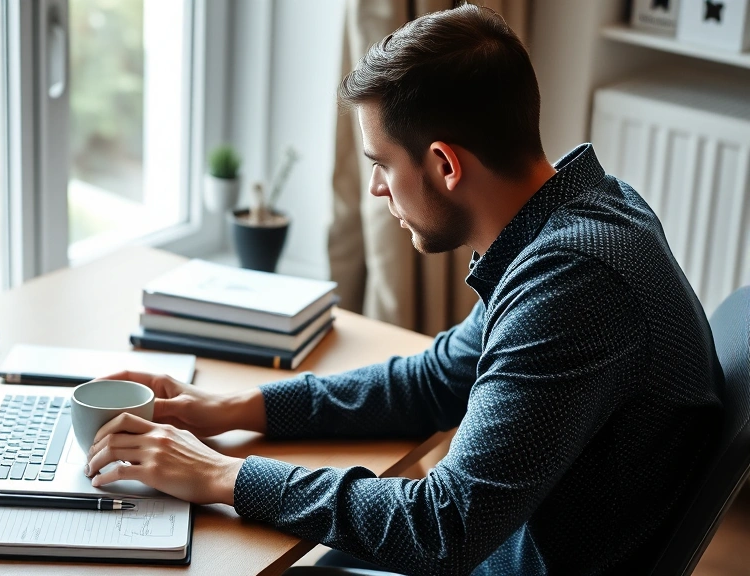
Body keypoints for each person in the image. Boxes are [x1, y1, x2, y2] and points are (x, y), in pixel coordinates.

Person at [85, 4, 724, 574]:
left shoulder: (574, 282)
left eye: (381, 164)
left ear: (445, 164)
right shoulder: (582, 215)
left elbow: (441, 530)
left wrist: (221, 474)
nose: (376, 190)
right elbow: (437, 378)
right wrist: (224, 409)